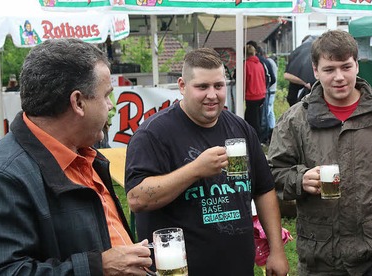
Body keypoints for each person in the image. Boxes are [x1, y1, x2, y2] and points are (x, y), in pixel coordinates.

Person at [124, 47, 289, 276]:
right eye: (202, 87)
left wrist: (277, 250)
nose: (212, 95)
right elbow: (136, 198)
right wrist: (195, 170)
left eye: (218, 86)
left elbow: (264, 190)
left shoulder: (240, 128)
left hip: (238, 268)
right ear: (182, 86)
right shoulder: (154, 134)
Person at [268, 30, 372, 275]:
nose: (339, 77)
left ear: (357, 66)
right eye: (329, 69)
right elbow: (274, 173)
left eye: (345, 67)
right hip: (320, 256)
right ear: (315, 71)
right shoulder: (295, 120)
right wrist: (299, 179)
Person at [0, 38, 152, 275]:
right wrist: (100, 267)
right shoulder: (5, 175)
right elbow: (8, 270)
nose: (111, 106)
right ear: (78, 102)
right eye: (106, 95)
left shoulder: (84, 153)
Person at [284, 35, 318, 106]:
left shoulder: (298, 55)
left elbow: (287, 75)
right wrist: (305, 83)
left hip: (299, 100)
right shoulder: (311, 57)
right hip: (303, 99)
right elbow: (287, 75)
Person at [244, 44, 268, 141]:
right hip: (261, 94)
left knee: (251, 120)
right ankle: (257, 139)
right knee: (257, 118)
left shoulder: (246, 65)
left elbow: (244, 81)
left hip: (251, 96)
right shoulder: (260, 64)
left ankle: (254, 140)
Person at [262, 55, 279, 144]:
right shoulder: (272, 62)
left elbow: (272, 78)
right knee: (270, 111)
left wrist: (266, 86)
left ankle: (270, 132)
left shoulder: (267, 62)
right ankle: (273, 130)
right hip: (273, 89)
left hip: (270, 89)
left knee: (267, 111)